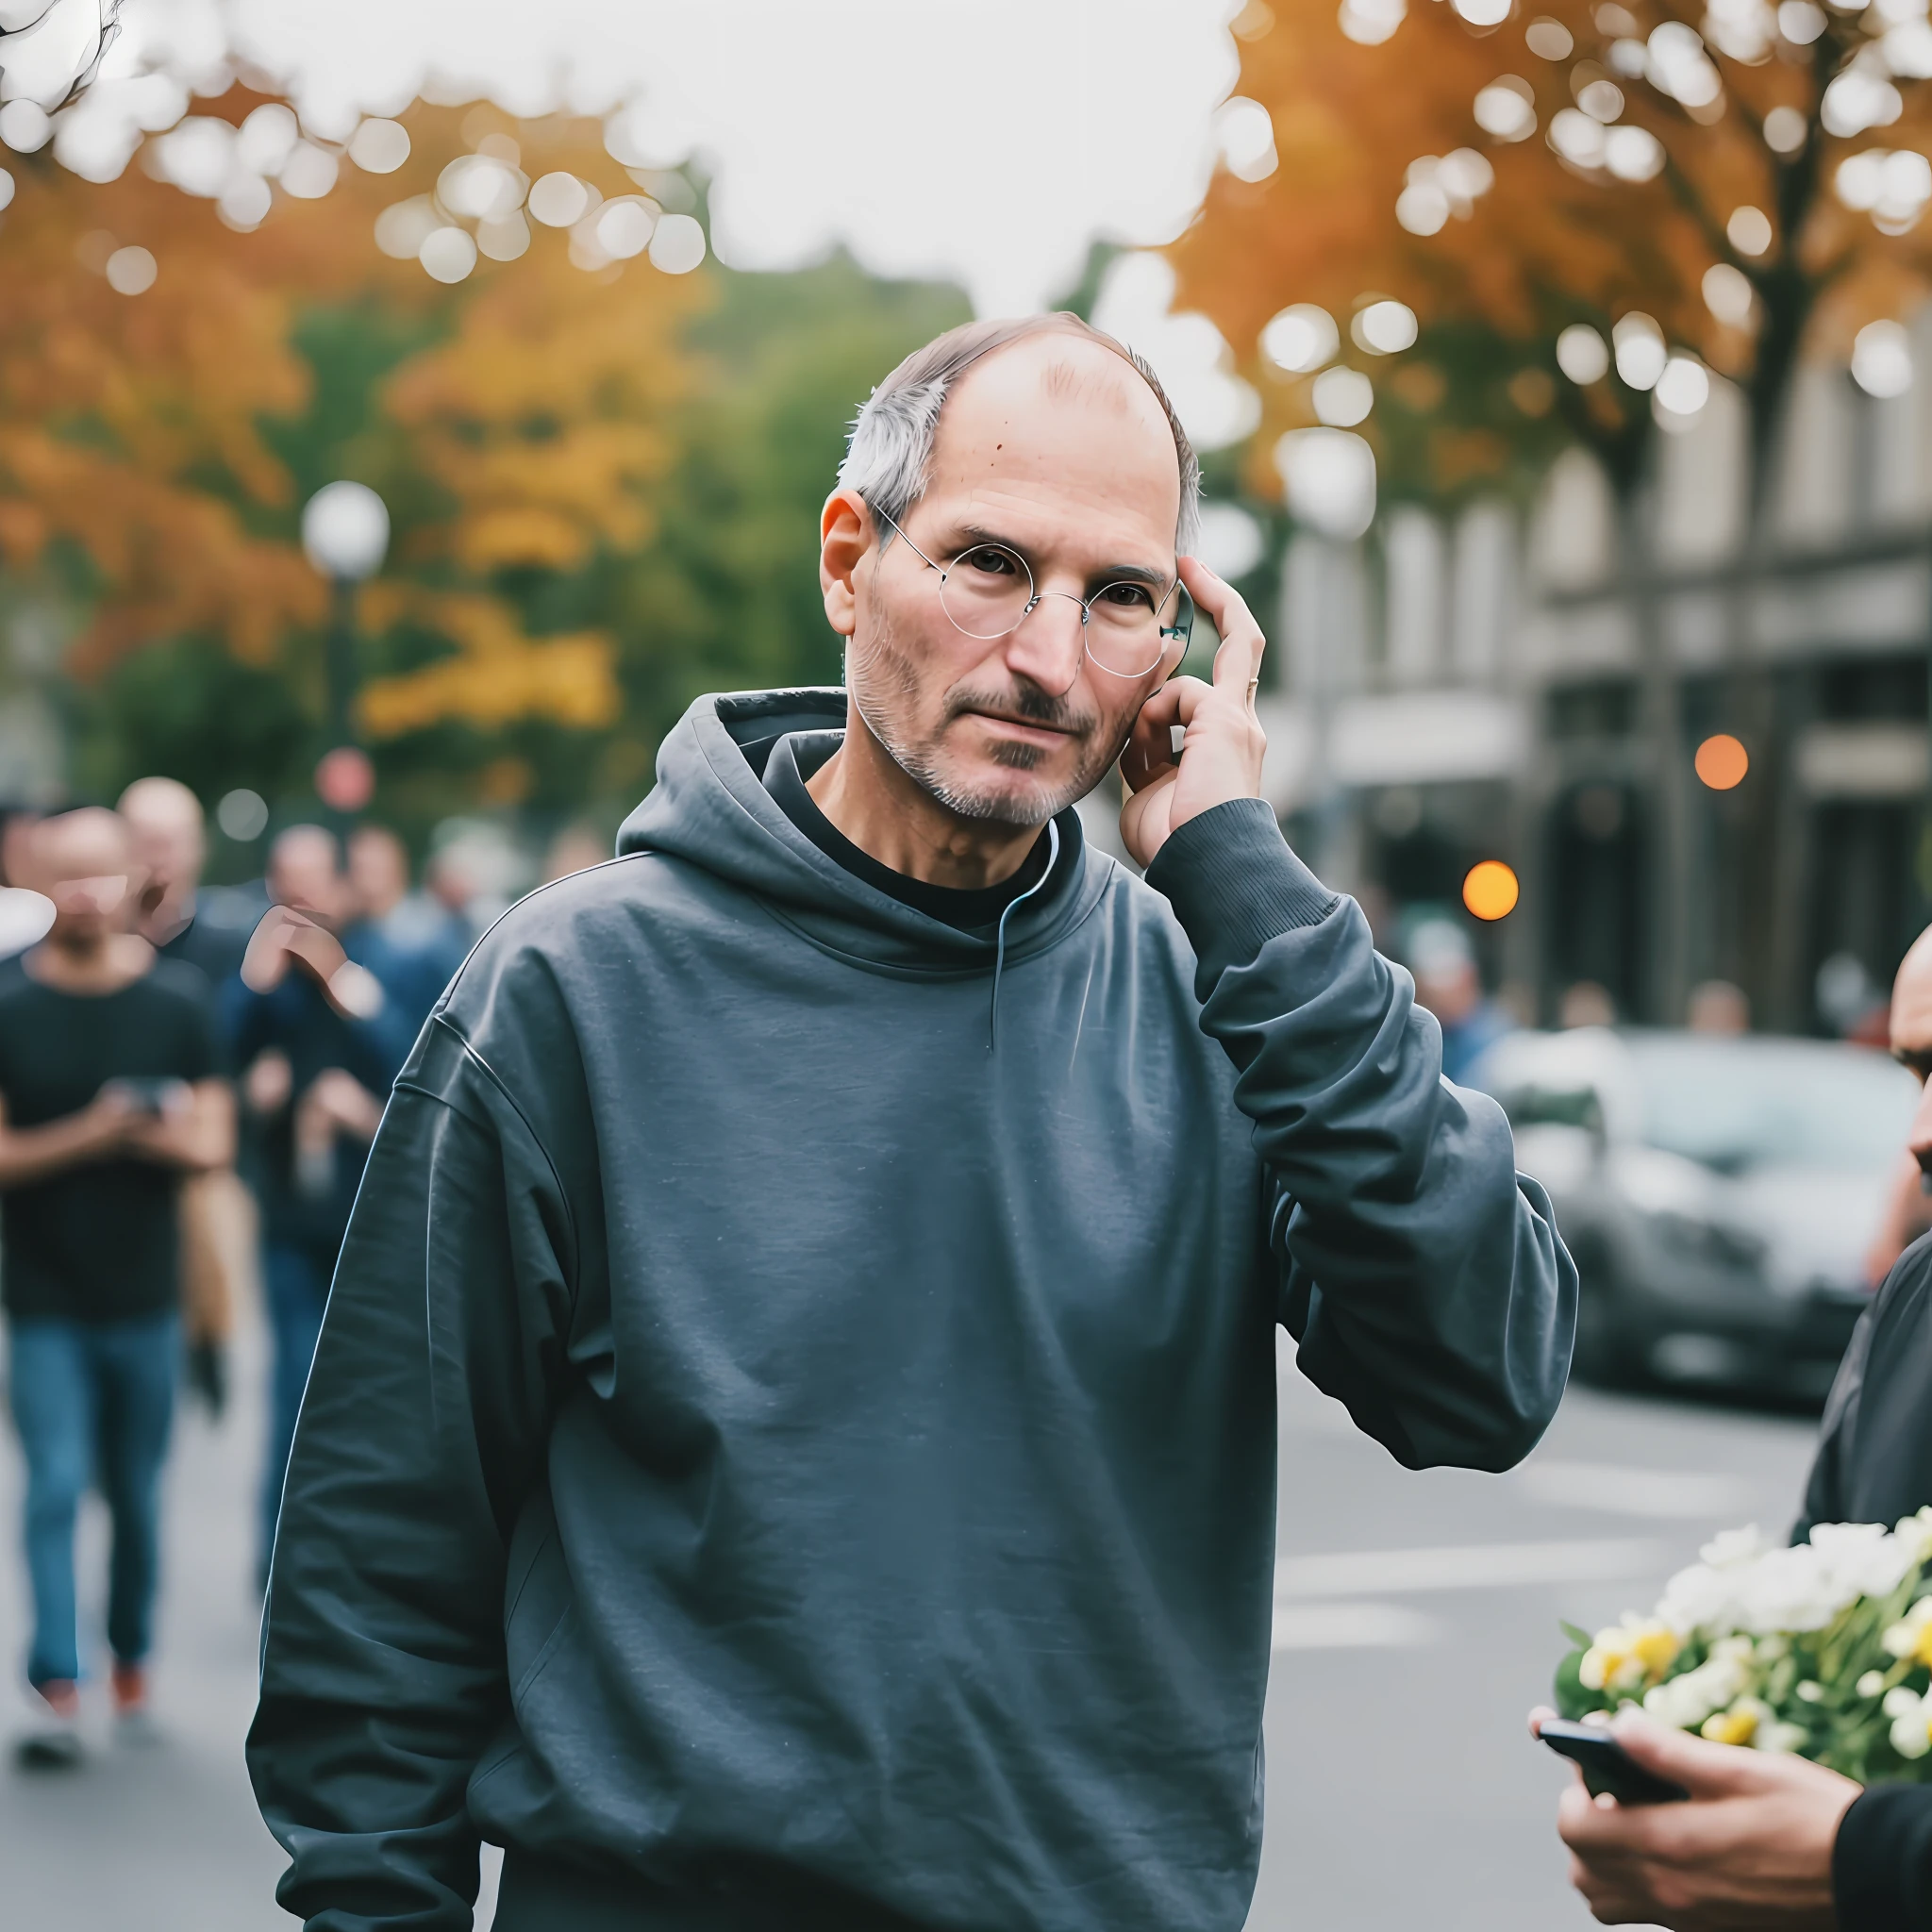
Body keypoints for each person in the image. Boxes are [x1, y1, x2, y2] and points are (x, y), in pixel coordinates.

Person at [248, 313, 1574, 1930]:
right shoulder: (571, 992)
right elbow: (378, 1596)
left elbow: (1483, 1374)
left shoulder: (1226, 993)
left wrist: (1237, 867)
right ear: (847, 560)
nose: (1044, 656)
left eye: (1119, 596)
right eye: (986, 564)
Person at [0, 808, 233, 1764]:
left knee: (134, 1494)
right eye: (68, 876)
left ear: (133, 878)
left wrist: (151, 1128)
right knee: (54, 1481)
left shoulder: (178, 1004)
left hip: (146, 1293)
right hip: (42, 1292)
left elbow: (213, 1142)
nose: (86, 894)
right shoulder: (11, 1007)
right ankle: (58, 1675)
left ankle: (129, 1649)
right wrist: (99, 1128)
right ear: (43, 883)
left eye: (103, 875)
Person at [230, 824, 410, 1586]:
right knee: (292, 1383)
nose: (300, 899)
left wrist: (337, 980)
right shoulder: (265, 982)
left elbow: (411, 1060)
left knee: (372, 1388)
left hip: (369, 1215)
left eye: (313, 881)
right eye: (285, 881)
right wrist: (257, 985)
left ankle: (356, 1556)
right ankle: (280, 1558)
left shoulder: (380, 962)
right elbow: (219, 1063)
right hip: (291, 1218)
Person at [120, 775, 258, 1414]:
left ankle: (208, 1337)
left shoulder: (226, 945)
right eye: (146, 841)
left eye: (171, 841)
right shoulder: (102, 943)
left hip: (195, 1144)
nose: (159, 856)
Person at [343, 823, 469, 1038]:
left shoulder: (432, 934)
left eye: (373, 869)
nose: (364, 879)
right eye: (358, 868)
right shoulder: (353, 934)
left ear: (398, 867)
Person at [1409, 915, 1514, 1084]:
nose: (1436, 994)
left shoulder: (1496, 1035)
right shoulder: (1424, 1037)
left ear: (1469, 975)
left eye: (1447, 975)